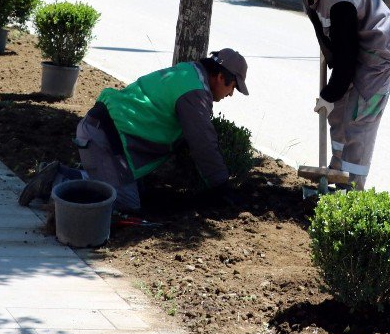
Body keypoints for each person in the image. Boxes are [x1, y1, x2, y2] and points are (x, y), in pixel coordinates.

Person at [19, 48, 250, 212]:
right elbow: (203, 143)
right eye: (232, 87)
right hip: (104, 137)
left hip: (105, 134)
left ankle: (69, 177)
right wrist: (222, 186)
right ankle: (56, 180)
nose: (230, 94)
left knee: (135, 191)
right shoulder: (194, 92)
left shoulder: (189, 73)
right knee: (123, 203)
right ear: (220, 76)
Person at [280, 0, 390, 190]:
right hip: (353, 45)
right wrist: (333, 90)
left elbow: (347, 57)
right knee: (337, 112)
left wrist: (329, 93)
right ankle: (336, 174)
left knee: (359, 118)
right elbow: (325, 33)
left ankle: (352, 194)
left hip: (378, 50)